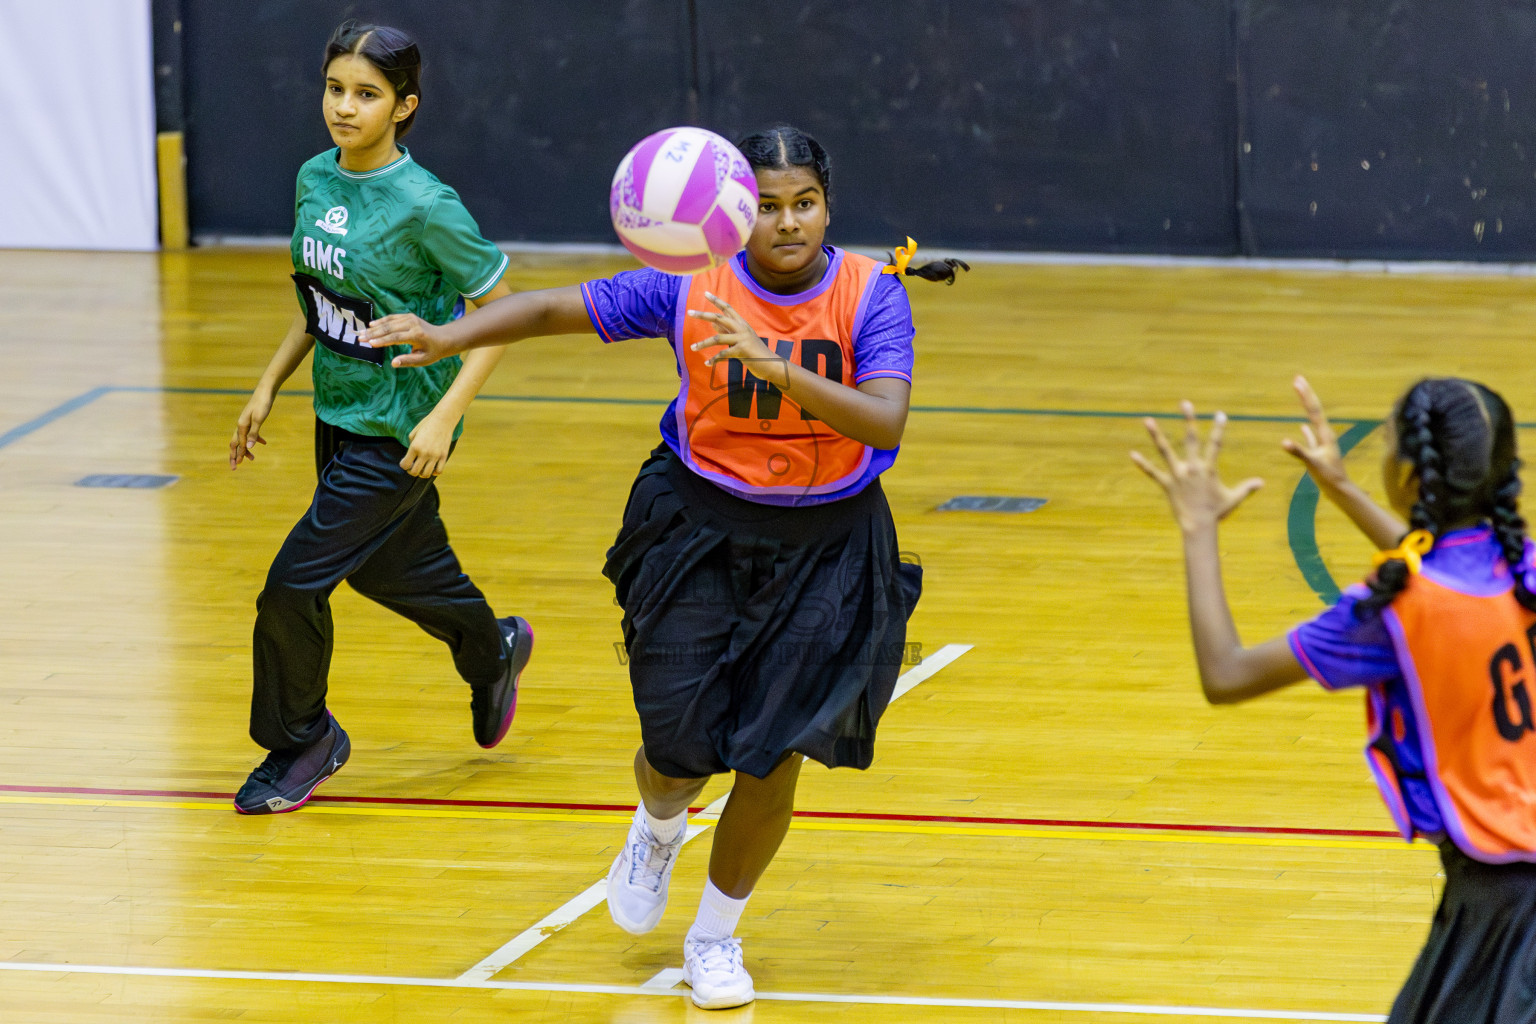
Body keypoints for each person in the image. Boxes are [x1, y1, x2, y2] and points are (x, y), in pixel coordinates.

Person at [359, 125, 966, 1009]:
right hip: (699, 528)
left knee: (772, 756)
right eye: (766, 206)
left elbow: (885, 423)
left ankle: (715, 936)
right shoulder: (690, 283)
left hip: (830, 546)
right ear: (731, 212)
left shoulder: (873, 295)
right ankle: (657, 821)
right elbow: (546, 309)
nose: (788, 222)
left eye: (806, 203)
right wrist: (450, 336)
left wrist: (774, 367)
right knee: (677, 749)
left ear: (828, 206)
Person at [1132, 376, 1536, 1023]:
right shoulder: (1521, 568)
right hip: (1503, 894)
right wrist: (1342, 490)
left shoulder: (1396, 612)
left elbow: (1226, 673)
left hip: (1502, 906)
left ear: (1409, 475)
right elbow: (1437, 571)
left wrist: (1198, 526)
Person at [227, 21, 532, 816]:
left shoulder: (428, 205)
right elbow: (317, 301)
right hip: (337, 408)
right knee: (390, 568)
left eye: (367, 94)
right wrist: (267, 386)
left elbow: (501, 314)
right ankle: (492, 647)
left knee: (293, 585)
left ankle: (304, 739)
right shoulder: (313, 178)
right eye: (335, 88)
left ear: (404, 106)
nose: (344, 107)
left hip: (400, 426)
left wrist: (445, 419)